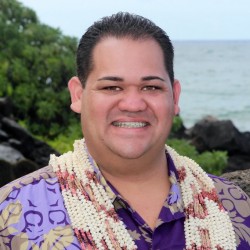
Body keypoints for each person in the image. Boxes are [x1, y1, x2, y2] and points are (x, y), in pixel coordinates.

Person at [0, 12, 249, 250]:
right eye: (112, 87)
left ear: (174, 96)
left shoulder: (233, 205)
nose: (133, 104)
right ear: (78, 95)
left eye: (151, 87)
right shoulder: (11, 215)